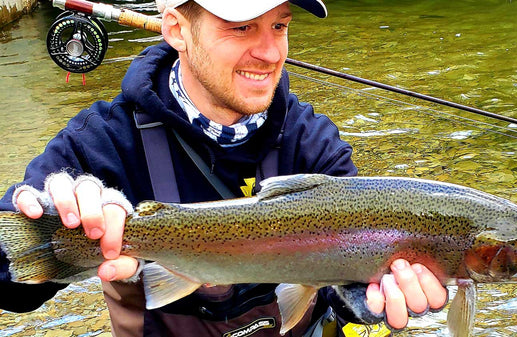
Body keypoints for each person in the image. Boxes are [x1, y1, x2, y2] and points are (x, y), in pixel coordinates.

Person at [0, 0, 448, 336]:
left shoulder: (311, 140)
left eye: (279, 25)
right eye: (241, 28)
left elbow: (341, 280)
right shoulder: (104, 140)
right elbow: (10, 284)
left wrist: (366, 295)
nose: (271, 52)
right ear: (176, 28)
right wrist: (59, 214)